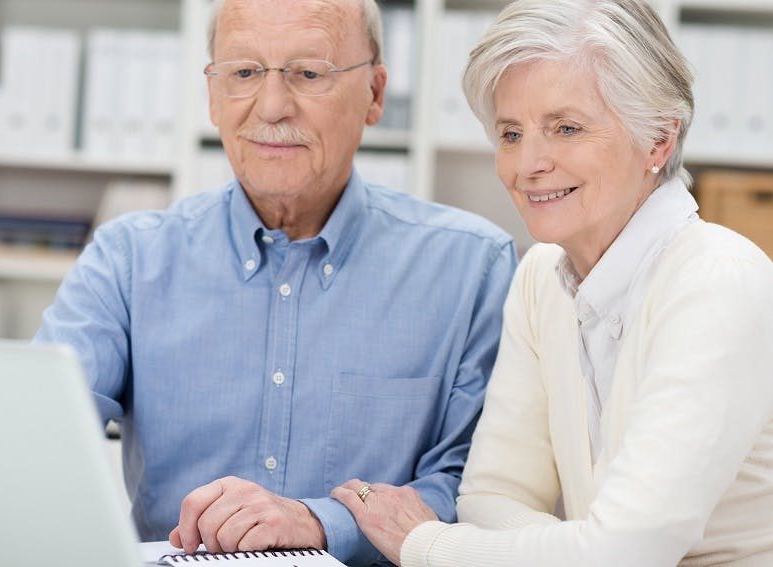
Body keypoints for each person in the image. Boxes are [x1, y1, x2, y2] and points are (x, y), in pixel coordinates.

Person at [34, 0, 517, 565]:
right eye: (243, 73)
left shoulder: (472, 268)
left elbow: (470, 489)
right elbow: (35, 437)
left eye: (308, 74)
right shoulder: (128, 260)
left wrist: (319, 520)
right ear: (213, 96)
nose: (272, 106)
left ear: (376, 95)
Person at [331, 0, 773, 565]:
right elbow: (491, 495)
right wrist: (580, 548)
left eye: (566, 128)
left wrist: (425, 543)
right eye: (511, 133)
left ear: (659, 140)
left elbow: (624, 550)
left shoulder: (717, 283)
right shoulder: (543, 276)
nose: (528, 164)